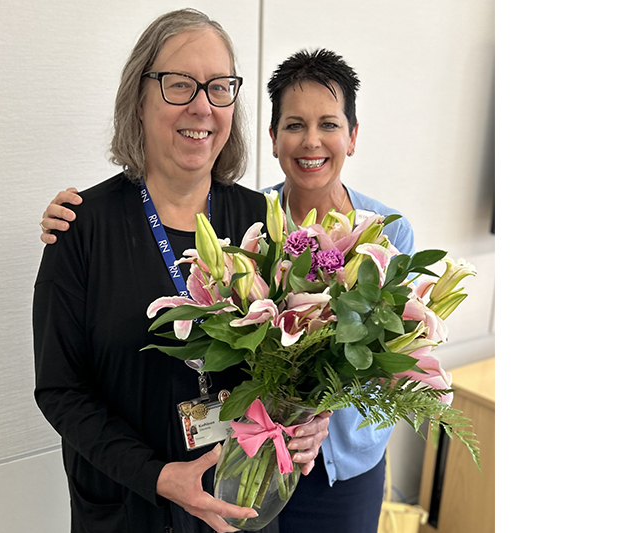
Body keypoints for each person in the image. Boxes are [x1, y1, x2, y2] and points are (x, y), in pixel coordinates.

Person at [39, 49, 415, 531]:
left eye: (329, 124)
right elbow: (62, 385)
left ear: (353, 135)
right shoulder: (261, 223)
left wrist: (319, 412)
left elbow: (388, 356)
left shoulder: (367, 231)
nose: (312, 141)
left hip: (326, 462)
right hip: (222, 473)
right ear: (274, 138)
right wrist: (74, 227)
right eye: (295, 125)